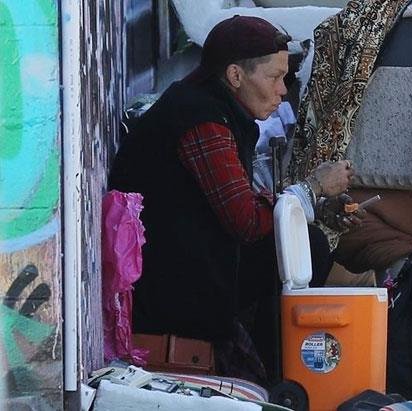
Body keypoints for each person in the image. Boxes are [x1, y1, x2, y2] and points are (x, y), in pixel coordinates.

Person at [109, 15, 359, 385]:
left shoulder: (213, 109)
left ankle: (276, 376)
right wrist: (312, 188)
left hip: (187, 267)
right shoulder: (201, 118)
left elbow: (241, 205)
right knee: (302, 246)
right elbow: (246, 221)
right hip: (166, 290)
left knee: (303, 242)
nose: (282, 90)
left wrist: (315, 208)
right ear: (235, 75)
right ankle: (279, 381)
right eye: (274, 77)